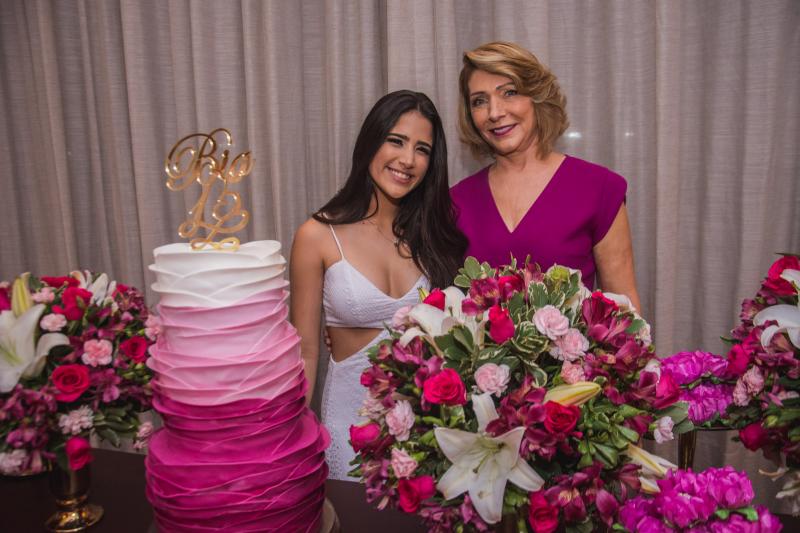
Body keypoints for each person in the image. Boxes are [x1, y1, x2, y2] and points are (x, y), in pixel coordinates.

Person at [290, 90, 467, 481]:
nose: (408, 160)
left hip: (424, 433)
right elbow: (304, 352)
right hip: (348, 426)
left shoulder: (432, 238)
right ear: (371, 141)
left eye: (422, 149)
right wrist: (290, 441)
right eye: (396, 141)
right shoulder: (317, 235)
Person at [451, 41, 642, 311]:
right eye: (479, 101)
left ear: (536, 96)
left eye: (509, 92)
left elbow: (624, 313)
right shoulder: (457, 201)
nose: (494, 113)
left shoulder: (599, 189)